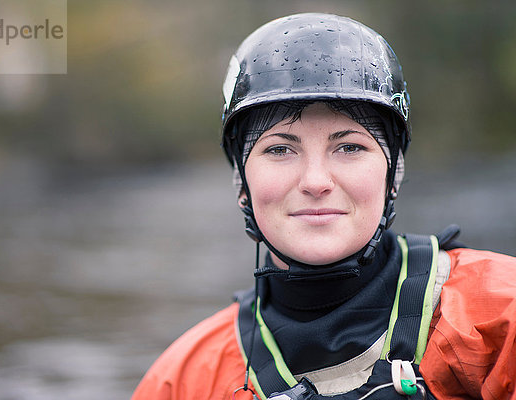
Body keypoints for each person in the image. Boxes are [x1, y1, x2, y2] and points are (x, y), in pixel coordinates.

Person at [132, 13, 516, 400]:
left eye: (349, 147)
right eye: (280, 149)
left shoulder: (501, 318)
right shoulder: (182, 381)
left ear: (392, 173)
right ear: (241, 183)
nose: (316, 182)